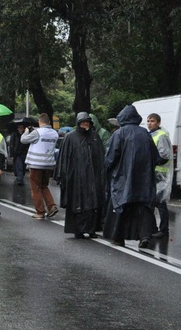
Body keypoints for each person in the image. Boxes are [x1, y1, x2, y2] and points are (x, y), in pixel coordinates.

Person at [103, 105, 161, 247]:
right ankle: (144, 235)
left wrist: (108, 172)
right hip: (144, 178)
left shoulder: (119, 133)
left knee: (121, 206)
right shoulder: (145, 133)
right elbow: (155, 156)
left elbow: (110, 158)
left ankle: (118, 236)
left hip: (123, 178)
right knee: (144, 207)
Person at [54, 112, 105, 238]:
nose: (85, 124)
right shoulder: (70, 137)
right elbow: (63, 158)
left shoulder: (94, 136)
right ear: (78, 123)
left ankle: (92, 229)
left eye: (87, 122)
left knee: (93, 203)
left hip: (92, 177)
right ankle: (78, 230)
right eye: (83, 122)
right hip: (76, 177)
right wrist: (62, 176)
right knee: (77, 203)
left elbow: (100, 156)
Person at [20, 113, 60, 219]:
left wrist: (26, 132)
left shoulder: (37, 132)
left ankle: (40, 212)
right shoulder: (54, 133)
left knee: (36, 188)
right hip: (49, 165)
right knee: (44, 186)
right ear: (49, 122)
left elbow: (23, 140)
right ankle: (51, 206)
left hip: (36, 165)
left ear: (39, 121)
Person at [147, 113, 173, 239]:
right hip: (153, 172)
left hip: (159, 173)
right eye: (148, 121)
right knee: (151, 202)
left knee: (160, 203)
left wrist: (152, 162)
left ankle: (163, 230)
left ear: (158, 123)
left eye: (152, 121)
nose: (149, 123)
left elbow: (164, 155)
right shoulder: (152, 134)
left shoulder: (161, 135)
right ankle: (153, 228)